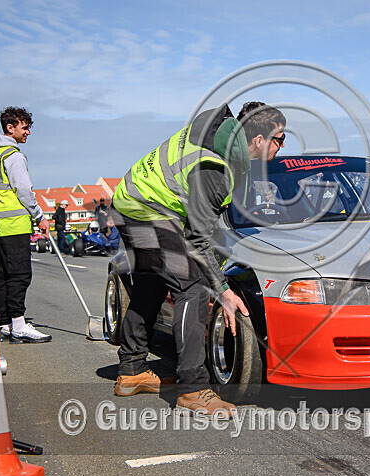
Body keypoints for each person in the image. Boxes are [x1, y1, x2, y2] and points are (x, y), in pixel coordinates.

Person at [110, 101, 286, 416]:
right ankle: (192, 389)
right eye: (280, 139)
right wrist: (223, 290)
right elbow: (198, 239)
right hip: (146, 209)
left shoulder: (218, 136)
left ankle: (132, 371)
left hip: (131, 200)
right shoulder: (215, 168)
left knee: (152, 282)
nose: (282, 146)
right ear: (259, 139)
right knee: (191, 286)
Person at [0, 106, 52, 343]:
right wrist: (40, 217)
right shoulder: (13, 157)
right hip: (15, 225)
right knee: (20, 276)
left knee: (3, 276)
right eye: (25, 127)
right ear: (10, 127)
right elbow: (23, 191)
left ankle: (4, 324)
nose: (28, 132)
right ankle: (19, 325)